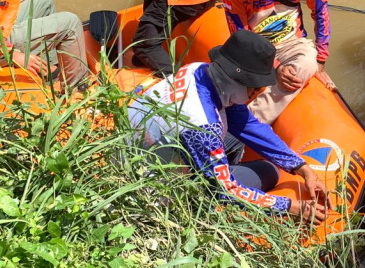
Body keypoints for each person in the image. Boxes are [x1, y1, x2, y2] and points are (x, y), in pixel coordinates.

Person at [128, 29, 328, 223]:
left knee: (238, 139)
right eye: (256, 89)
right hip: (151, 193)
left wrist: (301, 167)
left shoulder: (199, 70)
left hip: (140, 157)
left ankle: (219, 168)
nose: (258, 94)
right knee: (268, 171)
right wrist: (291, 206)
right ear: (239, 82)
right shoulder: (203, 126)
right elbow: (226, 191)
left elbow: (247, 125)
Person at [223, 0, 333, 124]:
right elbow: (239, 35)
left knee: (307, 63)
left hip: (293, 44)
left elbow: (321, 9)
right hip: (253, 49)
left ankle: (247, 123)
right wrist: (275, 66)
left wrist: (321, 60)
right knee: (227, 88)